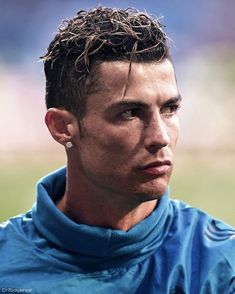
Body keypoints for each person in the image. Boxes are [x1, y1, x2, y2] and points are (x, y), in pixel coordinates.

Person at [0, 6, 235, 294]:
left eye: (169, 109)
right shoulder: (6, 265)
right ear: (62, 127)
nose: (160, 137)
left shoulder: (223, 265)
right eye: (130, 113)